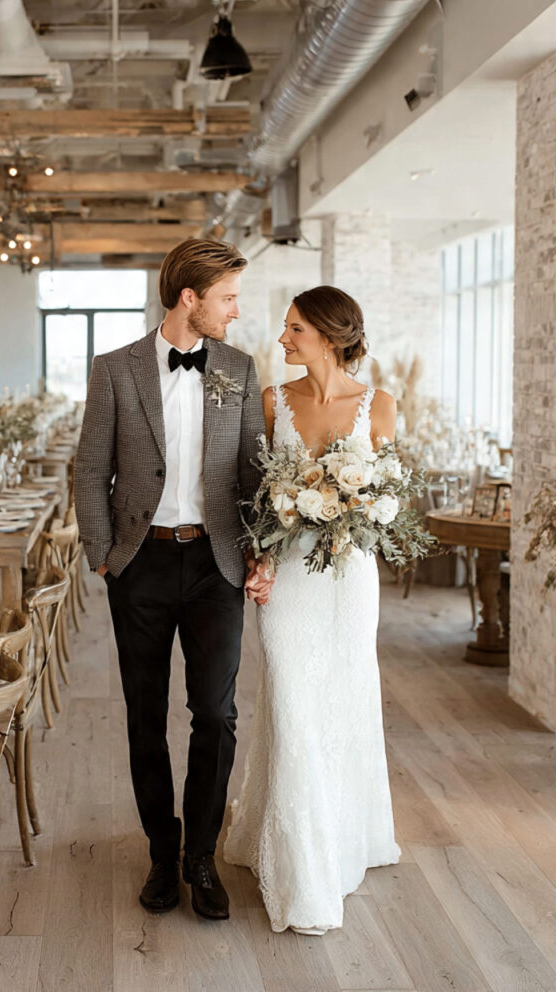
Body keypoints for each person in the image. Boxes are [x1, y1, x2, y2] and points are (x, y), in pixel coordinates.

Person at [74, 238, 271, 921]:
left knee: (215, 713)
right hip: (142, 563)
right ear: (190, 298)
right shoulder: (114, 369)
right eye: (227, 298)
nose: (235, 311)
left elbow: (253, 470)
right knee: (145, 714)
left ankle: (201, 858)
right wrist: (103, 554)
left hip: (217, 564)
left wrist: (262, 549)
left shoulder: (238, 369)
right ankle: (162, 853)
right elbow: (89, 466)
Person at [222, 285, 401, 935]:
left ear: (328, 335)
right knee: (293, 703)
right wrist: (259, 558)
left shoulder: (381, 406)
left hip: (350, 580)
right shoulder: (271, 402)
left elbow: (390, 499)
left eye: (294, 328)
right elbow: (249, 495)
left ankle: (342, 839)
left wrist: (357, 509)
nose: (282, 338)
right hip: (289, 579)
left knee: (343, 703)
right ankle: (304, 877)